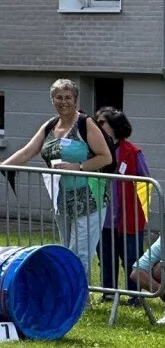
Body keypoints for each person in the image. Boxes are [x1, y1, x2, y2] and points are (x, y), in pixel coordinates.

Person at [1, 78, 114, 282]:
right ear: (52, 100)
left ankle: (75, 300)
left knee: (79, 253)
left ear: (76, 99)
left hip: (89, 199)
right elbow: (28, 151)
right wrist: (3, 165)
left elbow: (106, 157)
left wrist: (77, 167)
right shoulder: (50, 125)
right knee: (67, 252)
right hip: (62, 199)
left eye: (68, 97)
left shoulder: (85, 123)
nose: (63, 102)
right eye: (58, 97)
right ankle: (79, 296)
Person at [95, 107, 151, 305]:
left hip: (130, 217)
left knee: (131, 260)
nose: (97, 126)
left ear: (115, 126)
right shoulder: (93, 151)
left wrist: (140, 212)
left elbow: (146, 182)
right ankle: (108, 293)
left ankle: (135, 296)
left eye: (102, 122)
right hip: (102, 217)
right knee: (106, 258)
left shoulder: (133, 152)